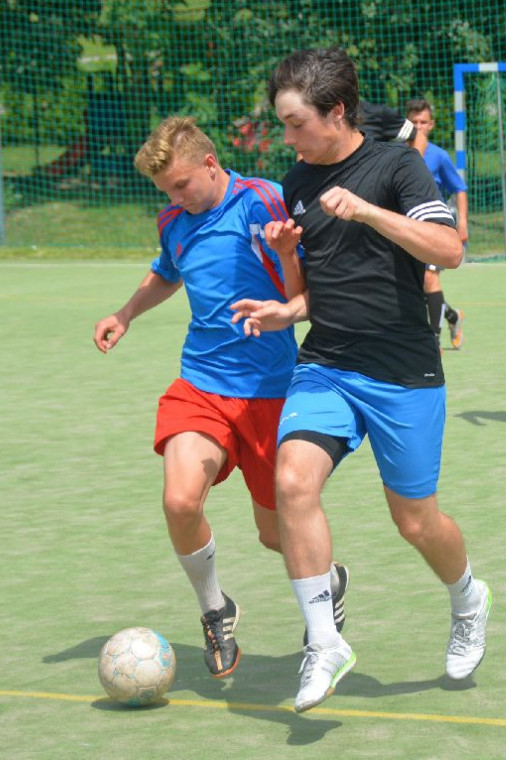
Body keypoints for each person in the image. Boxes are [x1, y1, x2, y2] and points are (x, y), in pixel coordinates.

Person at [231, 47, 491, 713]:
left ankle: (467, 598)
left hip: (404, 369)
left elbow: (450, 251)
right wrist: (284, 301)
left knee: (415, 522)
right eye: (282, 125)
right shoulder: (296, 183)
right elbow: (315, 292)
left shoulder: (397, 166)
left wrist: (370, 212)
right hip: (328, 362)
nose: (287, 139)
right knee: (292, 482)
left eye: (294, 124)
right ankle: (325, 640)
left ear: (336, 112)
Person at [92, 116, 349, 680]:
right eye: (166, 192)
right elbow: (167, 271)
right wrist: (125, 313)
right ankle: (215, 609)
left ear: (211, 165)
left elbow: (304, 289)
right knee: (181, 501)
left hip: (272, 392)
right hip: (201, 383)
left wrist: (285, 257)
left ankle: (329, 582)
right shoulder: (175, 220)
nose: (176, 199)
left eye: (182, 185)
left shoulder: (266, 200)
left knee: (273, 534)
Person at [406, 98, 467, 349]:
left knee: (430, 278)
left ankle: (434, 341)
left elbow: (459, 188)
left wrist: (461, 221)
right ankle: (452, 316)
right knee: (415, 286)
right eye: (414, 122)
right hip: (404, 228)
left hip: (432, 227)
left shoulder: (439, 157)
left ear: (430, 125)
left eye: (423, 122)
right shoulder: (397, 152)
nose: (419, 127)